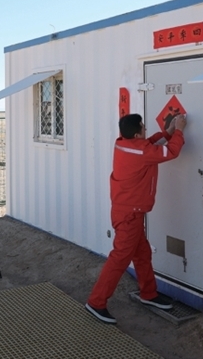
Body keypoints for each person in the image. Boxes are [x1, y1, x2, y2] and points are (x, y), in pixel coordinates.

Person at [85, 112, 187, 324]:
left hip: (128, 211)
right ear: (137, 133)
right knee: (120, 258)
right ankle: (96, 302)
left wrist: (167, 132)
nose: (145, 129)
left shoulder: (123, 144)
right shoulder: (141, 151)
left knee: (142, 254)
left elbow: (148, 145)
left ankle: (148, 293)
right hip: (129, 214)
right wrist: (179, 130)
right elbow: (171, 151)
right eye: (143, 126)